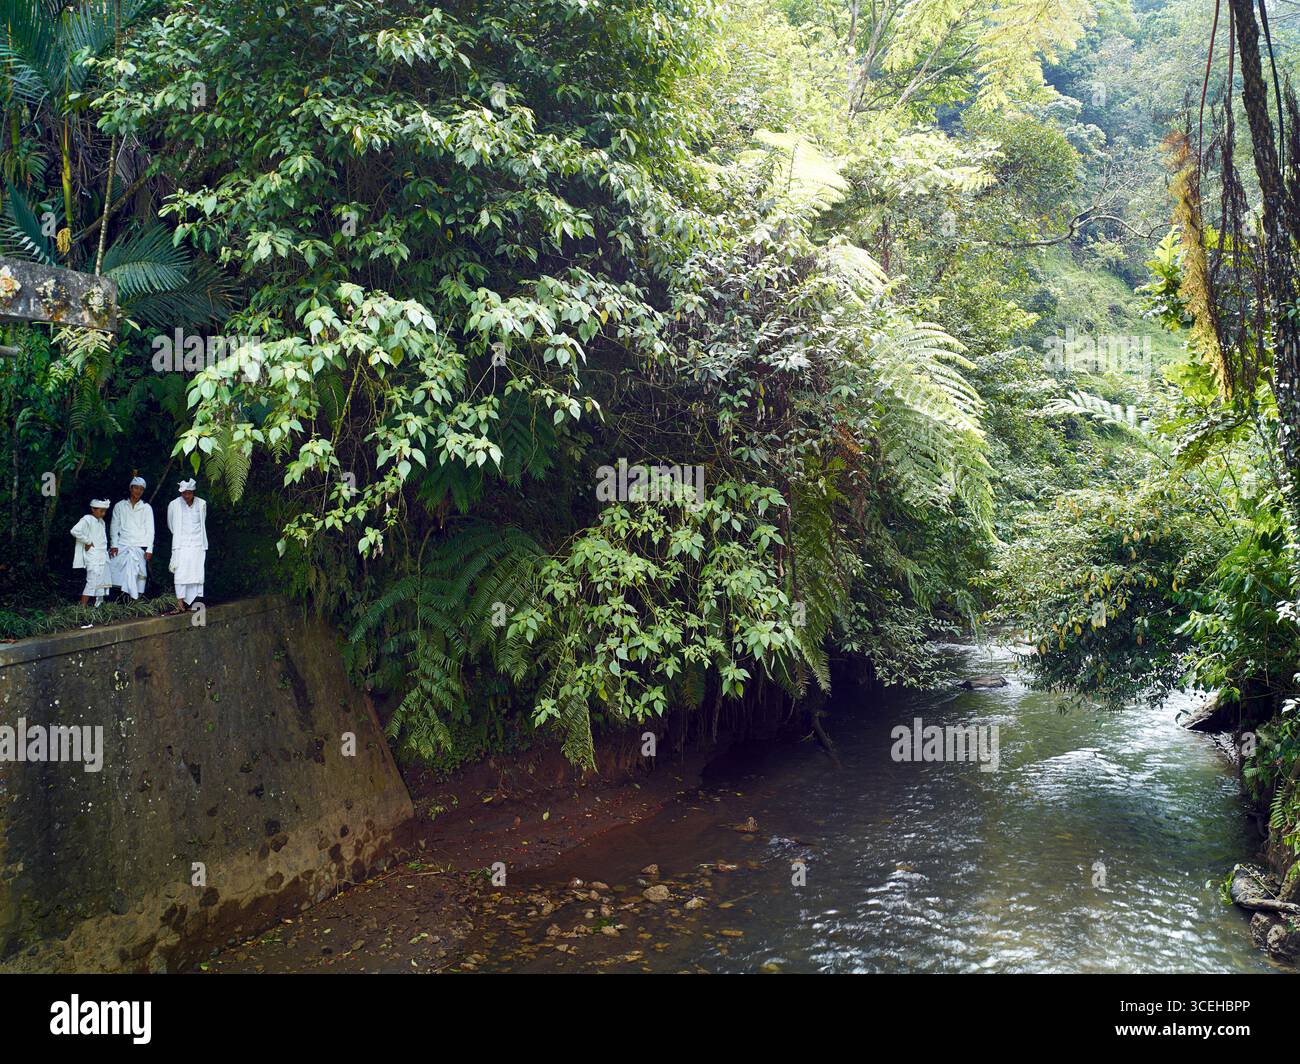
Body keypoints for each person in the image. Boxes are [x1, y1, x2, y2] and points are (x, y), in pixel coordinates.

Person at [109, 475, 154, 599]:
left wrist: (150, 549)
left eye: (141, 489)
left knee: (139, 574)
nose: (138, 491)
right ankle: (118, 599)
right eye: (136, 488)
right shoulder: (120, 506)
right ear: (131, 488)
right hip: (122, 545)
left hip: (139, 546)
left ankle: (134, 601)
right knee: (116, 572)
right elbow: (114, 526)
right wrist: (114, 545)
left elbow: (150, 530)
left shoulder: (146, 508)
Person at [167, 478, 207, 613]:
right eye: (184, 493)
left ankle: (195, 603)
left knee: (196, 573)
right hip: (181, 544)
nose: (186, 496)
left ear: (193, 492)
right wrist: (180, 537)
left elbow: (203, 524)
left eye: (189, 493)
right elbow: (171, 524)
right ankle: (180, 604)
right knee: (180, 573)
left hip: (197, 544)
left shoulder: (202, 504)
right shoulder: (173, 504)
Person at [70, 499, 111, 606]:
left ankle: (97, 606)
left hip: (102, 555)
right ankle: (82, 608)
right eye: (101, 511)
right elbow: (74, 531)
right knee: (92, 581)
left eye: (105, 511)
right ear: (93, 509)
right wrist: (88, 541)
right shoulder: (87, 519)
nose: (103, 513)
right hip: (93, 555)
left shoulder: (102, 522)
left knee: (101, 581)